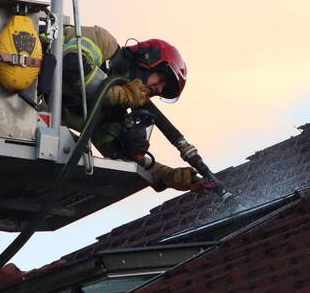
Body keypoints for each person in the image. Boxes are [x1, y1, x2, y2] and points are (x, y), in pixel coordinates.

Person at [61, 25, 206, 194]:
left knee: (72, 150)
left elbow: (126, 159)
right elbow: (72, 66)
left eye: (163, 89)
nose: (158, 89)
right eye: (161, 79)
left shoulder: (111, 113)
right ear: (149, 60)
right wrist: (119, 94)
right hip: (26, 96)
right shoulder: (103, 41)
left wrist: (169, 175)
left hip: (35, 124)